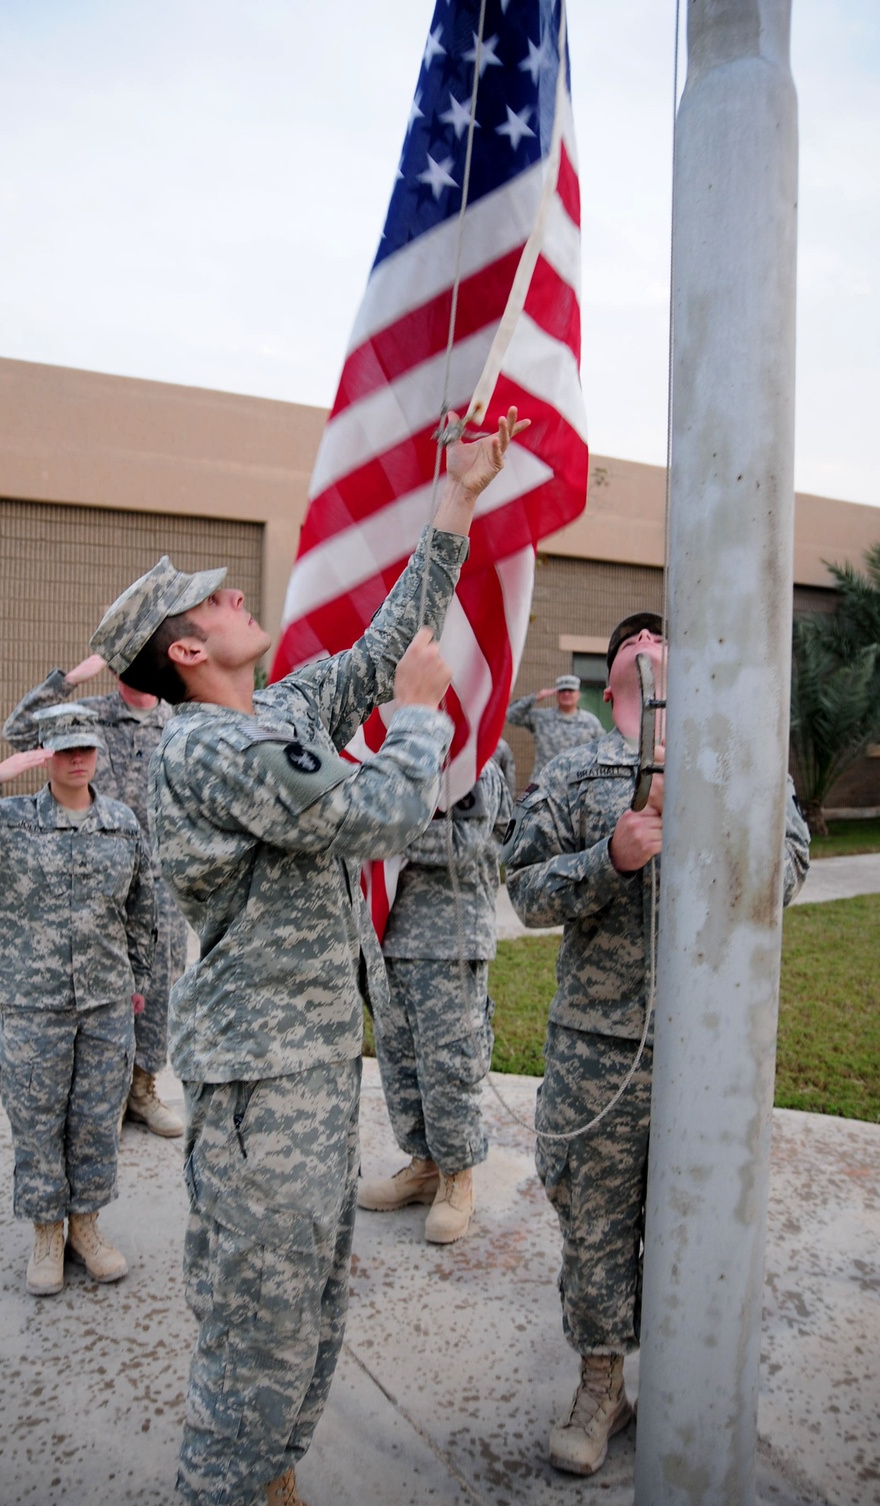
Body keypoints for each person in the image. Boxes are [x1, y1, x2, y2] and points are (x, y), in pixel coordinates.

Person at [88, 408, 528, 1506]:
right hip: (262, 1085)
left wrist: (456, 500)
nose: (237, 592)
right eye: (214, 598)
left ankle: (271, 1482)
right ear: (186, 651)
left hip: (309, 1068)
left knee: (314, 1306)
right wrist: (419, 724)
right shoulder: (215, 746)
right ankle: (233, 1483)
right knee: (259, 1336)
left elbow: (381, 653)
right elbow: (383, 809)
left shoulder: (271, 710)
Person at [502, 612, 810, 1477]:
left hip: (710, 1046)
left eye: (664, 637)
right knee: (593, 1221)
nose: (648, 643)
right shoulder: (571, 768)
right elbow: (523, 889)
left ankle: (697, 1380)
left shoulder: (740, 757)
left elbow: (786, 862)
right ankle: (603, 1383)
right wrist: (609, 858)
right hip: (600, 1047)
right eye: (632, 641)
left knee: (706, 1220)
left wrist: (711, 845)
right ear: (612, 676)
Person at [0, 704, 156, 1297]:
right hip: (32, 1004)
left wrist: (138, 980)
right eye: (64, 748)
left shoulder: (122, 823)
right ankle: (47, 1231)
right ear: (45, 754)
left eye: (85, 748)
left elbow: (143, 910)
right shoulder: (4, 821)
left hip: (105, 1004)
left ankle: (86, 1228)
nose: (76, 759)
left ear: (98, 753)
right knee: (37, 1121)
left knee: (97, 1121)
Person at [2, 654, 187, 1137]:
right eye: (129, 657)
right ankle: (97, 1096)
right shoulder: (88, 717)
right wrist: (67, 681)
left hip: (161, 882)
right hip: (94, 881)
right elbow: (19, 732)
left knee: (160, 984)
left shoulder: (179, 721)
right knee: (94, 988)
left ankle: (142, 1089)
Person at [358, 749, 512, 1243]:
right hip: (392, 934)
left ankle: (457, 1176)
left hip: (448, 938)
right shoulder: (390, 755)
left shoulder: (473, 763)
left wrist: (384, 830)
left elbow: (464, 843)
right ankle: (424, 1165)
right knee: (401, 1064)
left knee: (449, 1066)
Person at [506, 673, 604, 784]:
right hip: (545, 784)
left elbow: (601, 751)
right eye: (562, 690)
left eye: (570, 690)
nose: (566, 694)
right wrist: (535, 697)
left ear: (578, 694)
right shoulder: (542, 717)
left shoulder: (590, 722)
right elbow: (510, 715)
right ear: (556, 694)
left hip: (577, 785)